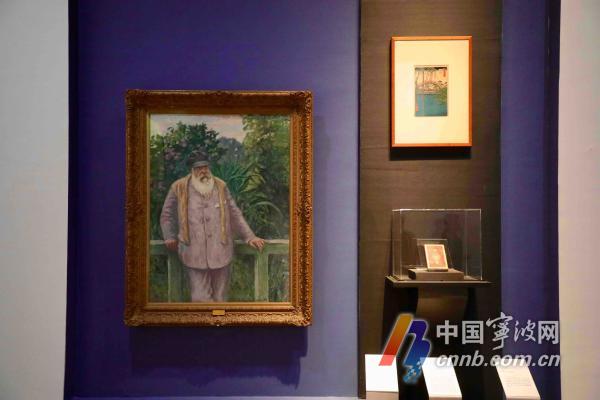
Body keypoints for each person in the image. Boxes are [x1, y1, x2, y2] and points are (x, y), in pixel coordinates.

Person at [160, 153, 265, 302]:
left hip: (221, 251)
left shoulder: (221, 186)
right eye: (199, 168)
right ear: (192, 170)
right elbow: (167, 214)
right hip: (193, 253)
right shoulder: (178, 187)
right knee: (200, 299)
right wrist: (169, 236)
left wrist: (250, 236)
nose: (203, 171)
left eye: (205, 167)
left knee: (221, 299)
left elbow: (234, 213)